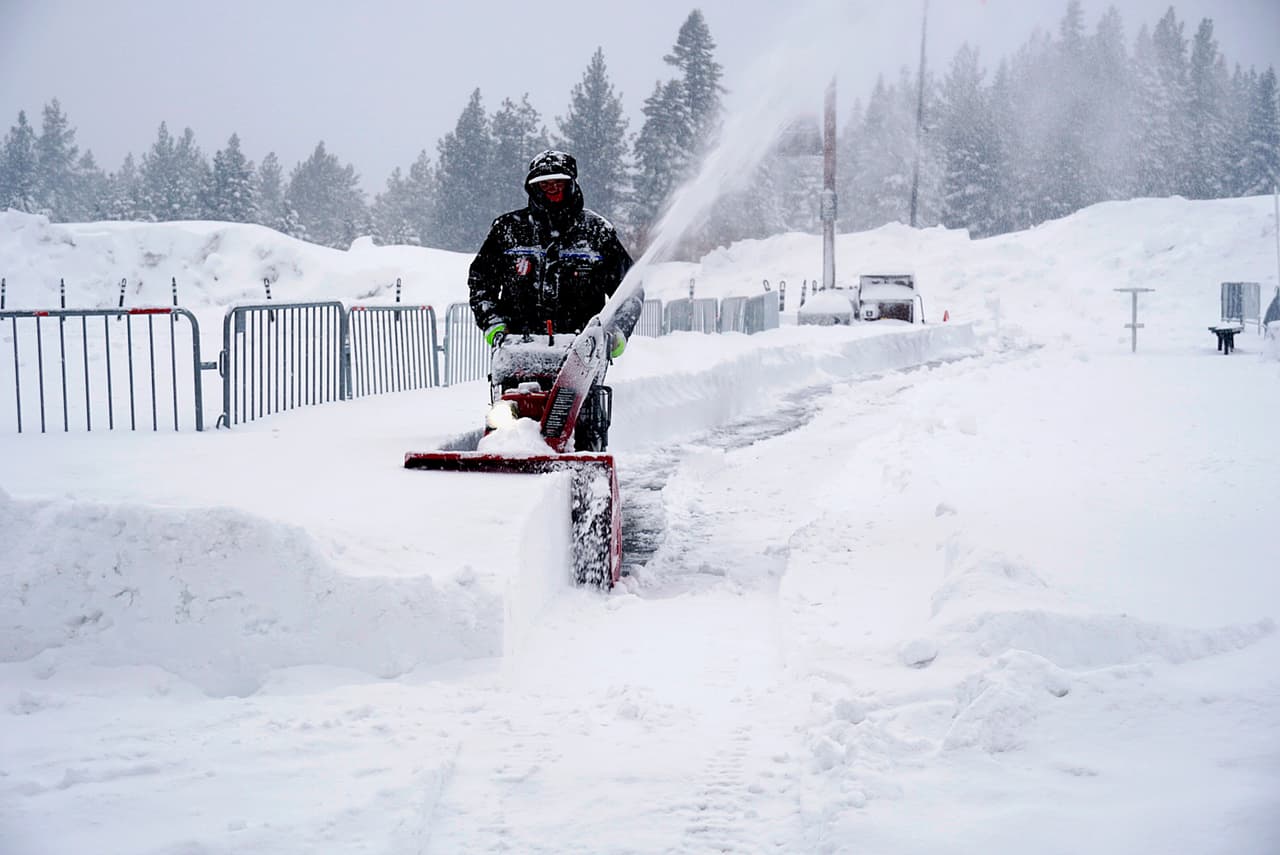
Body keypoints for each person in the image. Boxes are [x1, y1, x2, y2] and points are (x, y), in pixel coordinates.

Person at [468, 149, 643, 449]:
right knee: (508, 424)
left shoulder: (597, 233)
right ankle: (504, 467)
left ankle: (583, 472)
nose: (551, 191)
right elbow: (480, 282)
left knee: (584, 427)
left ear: (571, 185)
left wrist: (616, 333)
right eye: (544, 185)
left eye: (558, 184)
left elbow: (630, 292)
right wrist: (493, 325)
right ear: (533, 188)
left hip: (580, 354)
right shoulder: (508, 231)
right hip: (519, 351)